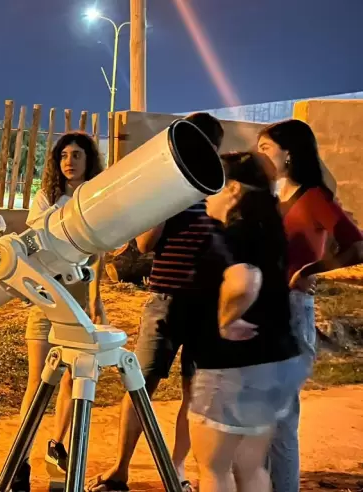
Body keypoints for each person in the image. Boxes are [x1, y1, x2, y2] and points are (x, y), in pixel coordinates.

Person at [86, 112, 224, 492]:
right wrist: (164, 201)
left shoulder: (224, 190)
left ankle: (176, 470)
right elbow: (145, 246)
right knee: (140, 384)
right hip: (165, 300)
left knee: (195, 394)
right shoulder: (173, 188)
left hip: (211, 306)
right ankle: (120, 470)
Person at [186, 151, 305, 492]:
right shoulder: (268, 230)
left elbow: (244, 280)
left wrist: (225, 320)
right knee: (250, 467)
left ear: (234, 190)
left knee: (214, 468)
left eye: (213, 186)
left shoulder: (232, 236)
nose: (206, 195)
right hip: (272, 361)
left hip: (231, 366)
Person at [257, 119, 363, 492]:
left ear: (289, 153)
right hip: (262, 309)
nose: (261, 155)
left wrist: (310, 269)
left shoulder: (314, 198)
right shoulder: (272, 198)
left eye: (266, 148)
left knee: (282, 419)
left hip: (291, 307)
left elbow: (356, 246)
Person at [10, 131, 105, 491]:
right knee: (37, 383)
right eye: (64, 154)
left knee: (71, 378)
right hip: (46, 297)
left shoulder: (96, 199)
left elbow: (97, 257)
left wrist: (96, 303)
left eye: (77, 154)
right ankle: (20, 460)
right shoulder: (45, 199)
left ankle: (58, 448)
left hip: (78, 298)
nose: (69, 161)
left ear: (88, 160)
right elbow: (37, 245)